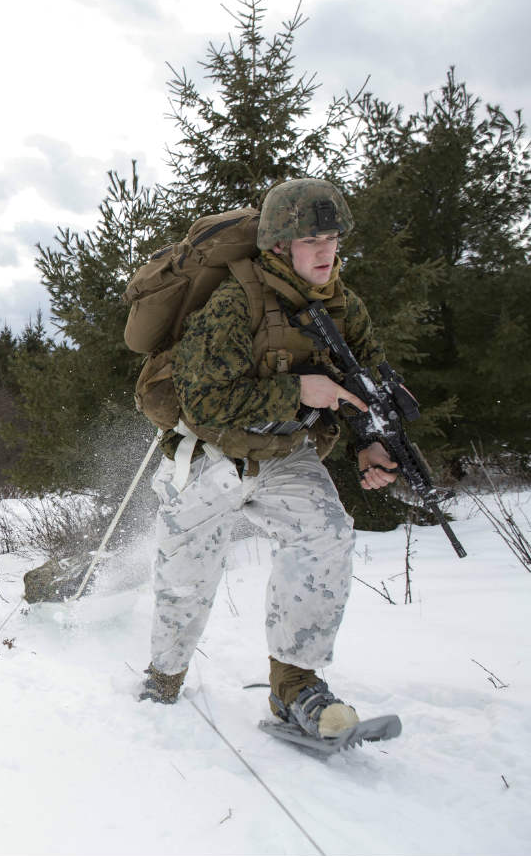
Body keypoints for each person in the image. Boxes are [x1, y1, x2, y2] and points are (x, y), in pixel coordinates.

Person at [139, 179, 400, 740]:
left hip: (286, 456)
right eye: (312, 240)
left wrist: (371, 441)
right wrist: (298, 393)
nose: (326, 251)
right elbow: (204, 403)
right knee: (187, 576)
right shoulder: (235, 302)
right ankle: (164, 677)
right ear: (280, 245)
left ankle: (294, 686)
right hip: (211, 456)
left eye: (332, 238)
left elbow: (366, 384)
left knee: (326, 534)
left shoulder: (344, 306)